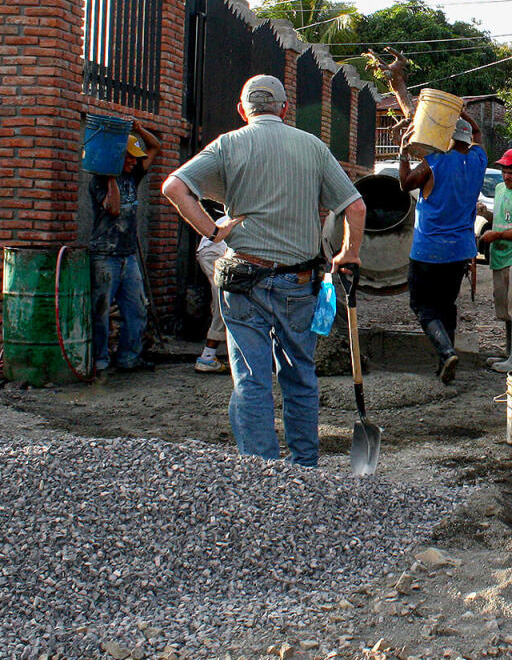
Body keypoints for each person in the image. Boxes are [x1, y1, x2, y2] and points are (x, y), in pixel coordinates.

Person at [162, 74, 365, 464]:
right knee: (299, 377)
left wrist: (212, 230)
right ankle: (303, 466)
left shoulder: (228, 144)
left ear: (242, 110)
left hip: (242, 281)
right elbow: (354, 207)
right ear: (285, 109)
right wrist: (347, 253)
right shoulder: (312, 147)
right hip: (298, 282)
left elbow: (174, 187)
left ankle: (261, 471)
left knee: (251, 381)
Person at [399, 112, 486, 382]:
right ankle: (445, 363)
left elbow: (405, 185)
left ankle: (446, 352)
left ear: (448, 137)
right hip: (460, 249)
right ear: (467, 139)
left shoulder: (434, 163)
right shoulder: (478, 160)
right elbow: (478, 133)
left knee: (423, 305)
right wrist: (462, 112)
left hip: (429, 249)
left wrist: (403, 153)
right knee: (447, 305)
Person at [88, 120, 161, 373]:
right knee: (101, 311)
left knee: (136, 309)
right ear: (119, 157)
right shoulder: (100, 181)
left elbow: (155, 146)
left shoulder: (134, 173)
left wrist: (139, 130)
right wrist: (111, 176)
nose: (133, 162)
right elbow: (114, 208)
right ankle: (100, 360)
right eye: (129, 158)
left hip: (128, 255)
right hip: (104, 255)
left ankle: (129, 358)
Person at [477, 147, 512, 373]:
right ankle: (511, 353)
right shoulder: (500, 189)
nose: (506, 176)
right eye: (504, 171)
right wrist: (486, 215)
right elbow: (502, 219)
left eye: (511, 172)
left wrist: (498, 235)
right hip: (500, 258)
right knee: (507, 309)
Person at [193, 208, 232, 373]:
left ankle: (210, 356)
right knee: (226, 302)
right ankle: (207, 357)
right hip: (216, 253)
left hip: (213, 251)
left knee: (225, 301)